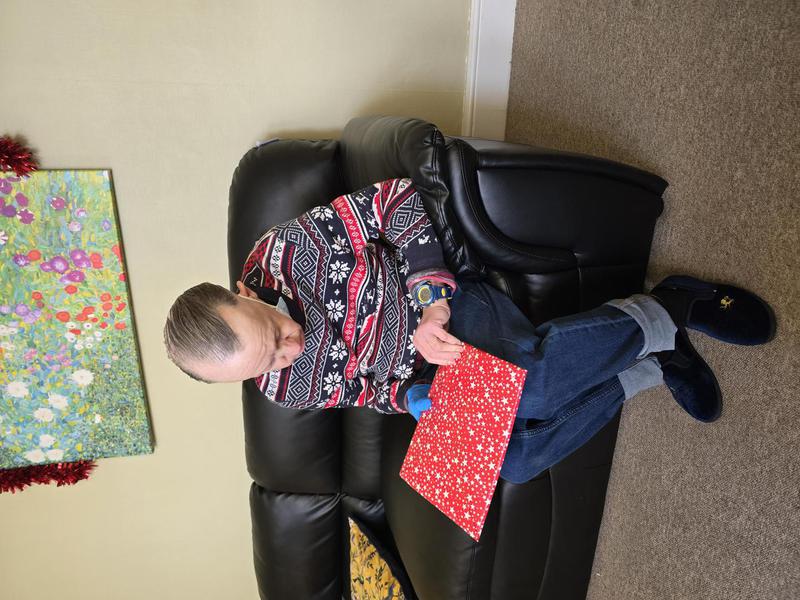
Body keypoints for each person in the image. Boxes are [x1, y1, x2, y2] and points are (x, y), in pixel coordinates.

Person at [164, 178, 775, 483]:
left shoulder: (289, 248)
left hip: (447, 309)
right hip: (426, 375)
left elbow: (396, 200)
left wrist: (429, 303)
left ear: (246, 293)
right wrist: (412, 398)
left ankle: (669, 308)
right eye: (270, 363)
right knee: (509, 462)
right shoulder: (280, 387)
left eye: (275, 332)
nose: (290, 350)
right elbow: (367, 391)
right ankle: (653, 363)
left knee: (530, 389)